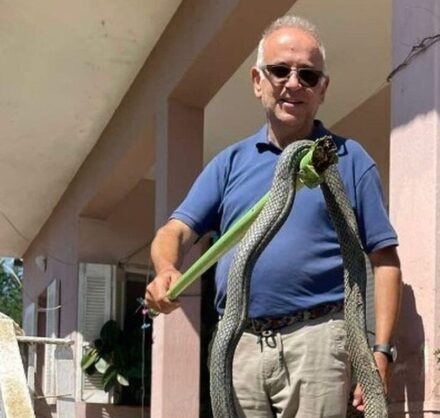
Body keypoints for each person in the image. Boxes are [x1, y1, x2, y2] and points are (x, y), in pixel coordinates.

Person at [144, 15, 402, 418]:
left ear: (322, 89)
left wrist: (381, 352)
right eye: (280, 70)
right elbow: (174, 231)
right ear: (257, 81)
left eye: (308, 75)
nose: (293, 84)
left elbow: (384, 262)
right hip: (238, 343)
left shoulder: (349, 160)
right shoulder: (229, 163)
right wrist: (165, 270)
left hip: (317, 341)